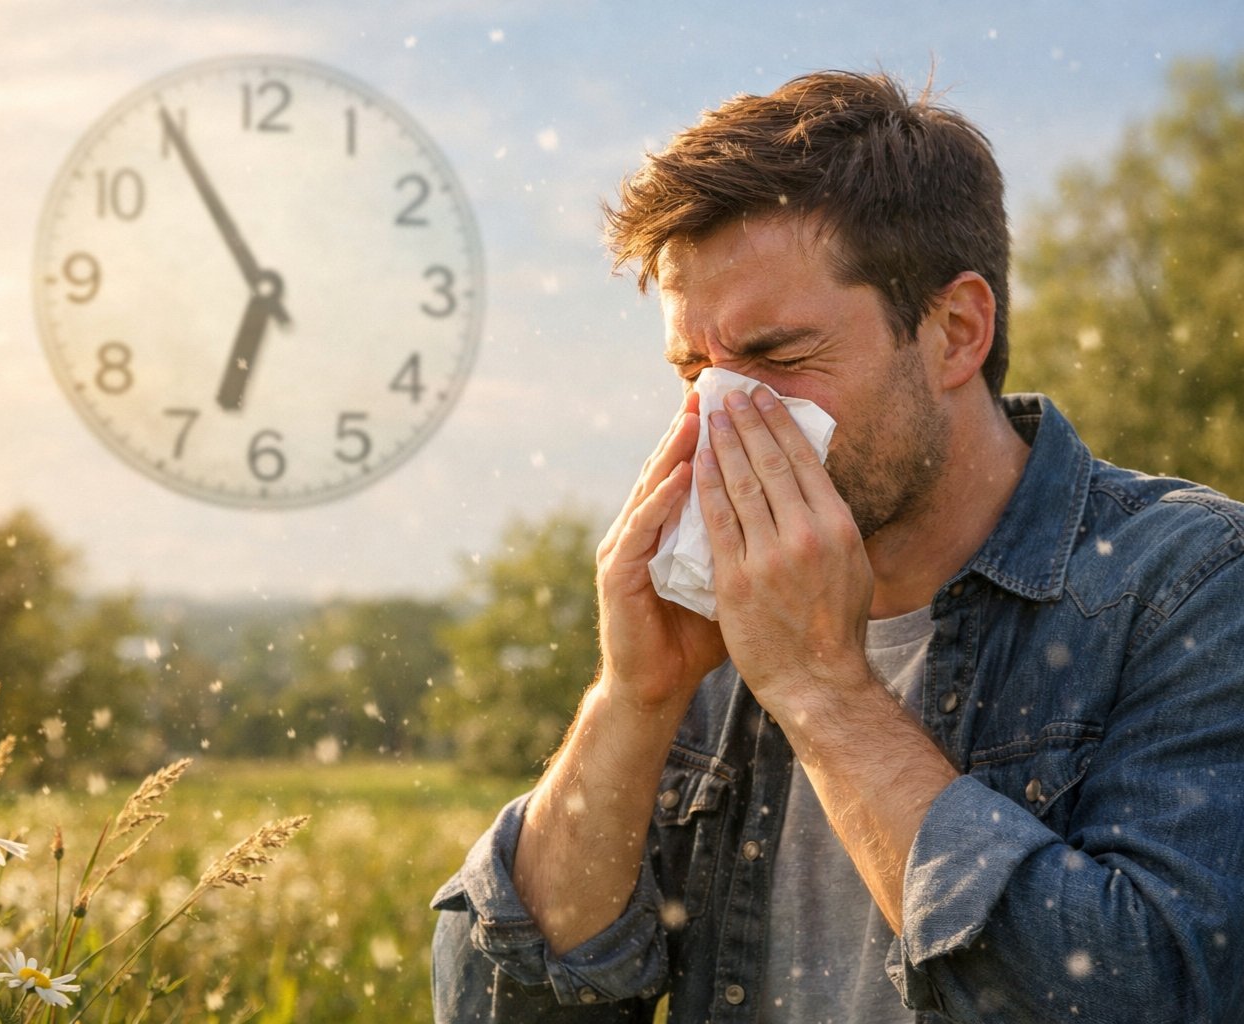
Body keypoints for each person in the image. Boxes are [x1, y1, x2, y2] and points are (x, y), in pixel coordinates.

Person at [429, 69, 1244, 1023]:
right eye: (695, 372)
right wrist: (633, 699)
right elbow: (495, 1008)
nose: (724, 419)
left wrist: (821, 688)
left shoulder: (1190, 585)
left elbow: (1149, 994)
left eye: (777, 358)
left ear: (955, 332)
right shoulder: (709, 617)